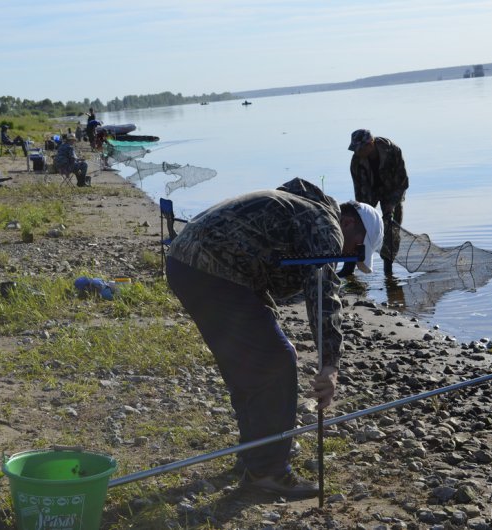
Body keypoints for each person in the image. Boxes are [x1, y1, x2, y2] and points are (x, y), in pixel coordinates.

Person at [165, 178, 383, 498]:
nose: (351, 257)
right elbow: (322, 295)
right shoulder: (325, 225)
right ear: (348, 223)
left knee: (250, 365)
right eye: (358, 249)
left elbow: (255, 258)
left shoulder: (302, 208)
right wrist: (330, 365)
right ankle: (267, 472)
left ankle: (254, 456)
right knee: (277, 362)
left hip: (186, 263)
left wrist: (272, 323)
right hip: (212, 270)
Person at [343, 129, 409, 277]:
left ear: (370, 144)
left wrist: (391, 204)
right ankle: (349, 266)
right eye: (355, 149)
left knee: (392, 230)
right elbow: (359, 190)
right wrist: (362, 211)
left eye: (359, 148)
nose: (357, 152)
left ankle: (388, 270)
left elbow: (403, 182)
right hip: (369, 192)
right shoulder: (356, 161)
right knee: (360, 225)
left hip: (392, 192)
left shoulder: (393, 151)